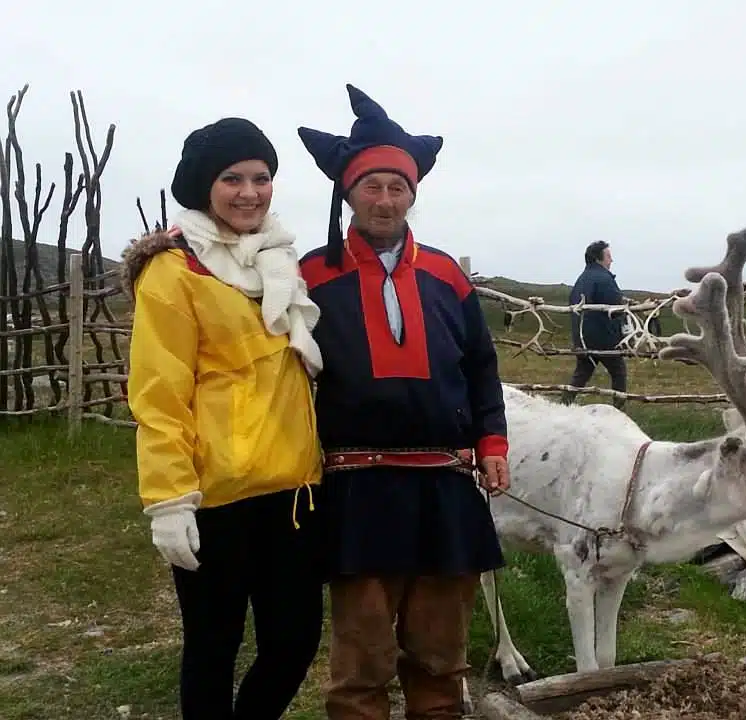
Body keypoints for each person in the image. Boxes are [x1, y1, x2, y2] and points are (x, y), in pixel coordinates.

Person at [297, 84, 509, 720]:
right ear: (348, 192)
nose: (385, 200)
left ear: (413, 194)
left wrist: (492, 441)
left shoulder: (446, 275)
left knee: (441, 660)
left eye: (398, 188)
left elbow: (480, 365)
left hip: (444, 488)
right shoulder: (309, 275)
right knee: (361, 666)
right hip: (358, 490)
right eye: (372, 187)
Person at [122, 117, 326, 720]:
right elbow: (159, 393)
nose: (249, 192)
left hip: (293, 490)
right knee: (214, 647)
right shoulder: (175, 269)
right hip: (214, 494)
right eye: (232, 178)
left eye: (261, 178)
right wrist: (169, 500)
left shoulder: (277, 262)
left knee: (294, 643)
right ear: (202, 187)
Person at [561, 240, 630, 409]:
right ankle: (618, 411)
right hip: (604, 338)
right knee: (619, 372)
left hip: (582, 338)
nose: (611, 260)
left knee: (581, 374)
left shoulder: (581, 279)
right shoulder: (604, 279)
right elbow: (616, 306)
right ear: (598, 259)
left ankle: (563, 406)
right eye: (608, 256)